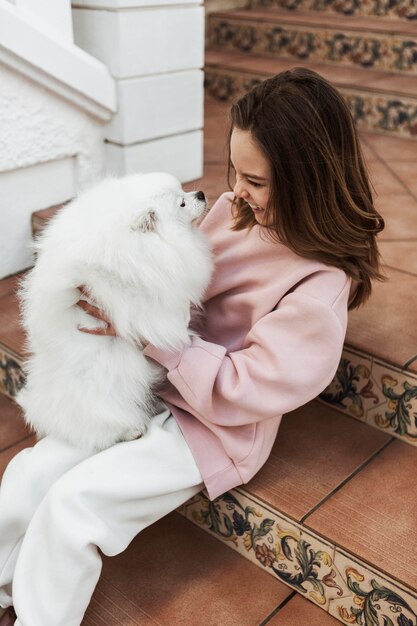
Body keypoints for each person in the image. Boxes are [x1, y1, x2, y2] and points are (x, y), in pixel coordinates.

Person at [0, 67, 386, 626]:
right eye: (236, 170)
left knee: (74, 506)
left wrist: (152, 336)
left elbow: (247, 388)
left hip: (212, 429)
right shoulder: (237, 211)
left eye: (256, 180)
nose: (236, 191)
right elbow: (169, 283)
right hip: (150, 385)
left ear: (306, 180)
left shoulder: (319, 287)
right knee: (35, 472)